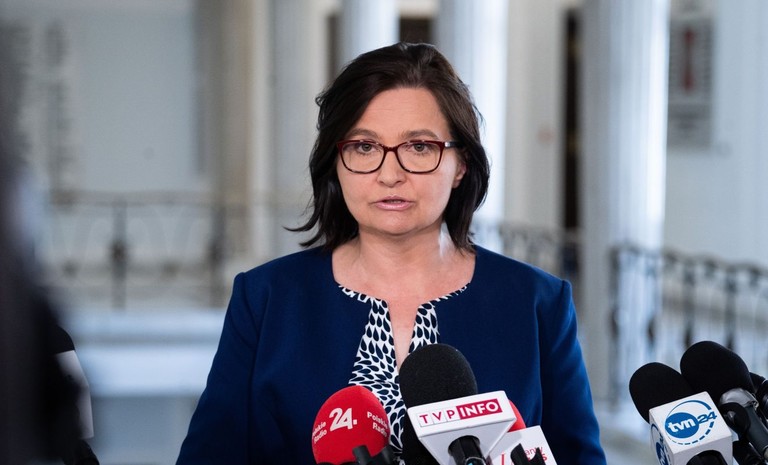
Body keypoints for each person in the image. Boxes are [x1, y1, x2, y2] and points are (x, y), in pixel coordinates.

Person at [176, 42, 606, 465]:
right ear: (335, 163)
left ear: (460, 165)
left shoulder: (538, 303)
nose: (389, 174)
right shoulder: (266, 298)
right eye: (364, 147)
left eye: (419, 147)